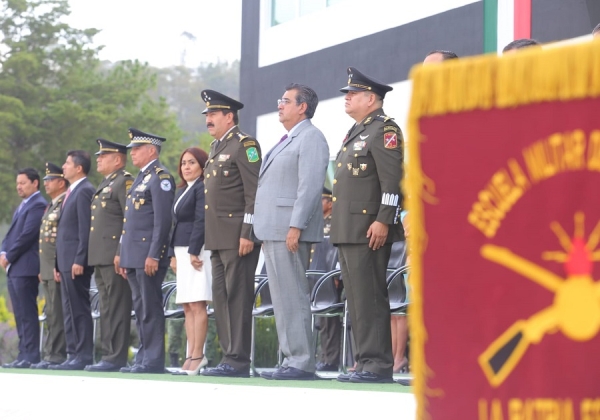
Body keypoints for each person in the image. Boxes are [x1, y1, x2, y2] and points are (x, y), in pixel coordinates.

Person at [331, 67, 404, 384]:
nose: (346, 98)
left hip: (369, 228)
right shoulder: (358, 131)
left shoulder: (385, 130)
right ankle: (364, 361)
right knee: (357, 298)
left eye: (353, 94)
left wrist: (383, 220)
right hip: (349, 229)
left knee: (371, 296)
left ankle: (377, 365)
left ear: (371, 99)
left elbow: (392, 182)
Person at [254, 83, 329, 381]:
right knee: (281, 299)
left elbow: (310, 188)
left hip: (288, 229)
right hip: (273, 229)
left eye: (285, 101)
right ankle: (291, 358)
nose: (279, 105)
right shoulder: (288, 138)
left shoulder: (311, 137)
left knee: (293, 296)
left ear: (303, 107)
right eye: (280, 100)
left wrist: (295, 226)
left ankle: (301, 361)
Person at [200, 90, 262, 378]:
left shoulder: (245, 145)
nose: (208, 119)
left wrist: (248, 232)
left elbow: (254, 193)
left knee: (237, 298)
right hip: (217, 238)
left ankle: (238, 360)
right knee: (221, 298)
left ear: (229, 116)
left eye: (213, 114)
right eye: (207, 115)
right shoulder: (216, 148)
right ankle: (228, 356)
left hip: (238, 236)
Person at [118, 128, 175, 374]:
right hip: (133, 255)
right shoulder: (141, 178)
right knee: (140, 308)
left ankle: (153, 360)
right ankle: (143, 357)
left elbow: (163, 222)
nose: (133, 153)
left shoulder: (160, 177)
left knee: (150, 308)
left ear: (151, 150)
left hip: (148, 256)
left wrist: (154, 254)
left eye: (137, 149)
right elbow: (129, 221)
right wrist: (123, 253)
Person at [84, 139, 134, 372]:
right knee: (106, 307)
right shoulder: (106, 183)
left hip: (113, 256)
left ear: (117, 159)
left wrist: (120, 252)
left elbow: (128, 219)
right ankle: (108, 354)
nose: (98, 159)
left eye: (104, 155)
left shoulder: (124, 181)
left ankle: (116, 357)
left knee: (116, 306)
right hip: (100, 256)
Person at [49, 151, 96, 370]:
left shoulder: (85, 190)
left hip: (76, 262)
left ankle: (84, 354)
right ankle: (73, 352)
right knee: (69, 308)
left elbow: (85, 228)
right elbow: (64, 231)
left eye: (67, 163)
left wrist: (80, 259)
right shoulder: (71, 191)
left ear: (79, 168)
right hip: (66, 261)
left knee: (78, 308)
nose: (63, 166)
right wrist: (58, 263)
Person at [169, 147, 211, 376]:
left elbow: (201, 220)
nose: (186, 167)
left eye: (192, 162)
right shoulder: (182, 190)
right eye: (183, 162)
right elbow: (173, 224)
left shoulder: (202, 188)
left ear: (202, 166)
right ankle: (190, 354)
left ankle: (198, 355)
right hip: (181, 249)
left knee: (197, 303)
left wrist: (194, 250)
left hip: (196, 250)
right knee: (187, 305)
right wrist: (172, 255)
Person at [1, 168, 47, 368]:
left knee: (28, 313)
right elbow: (11, 235)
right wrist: (3, 252)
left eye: (23, 183)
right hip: (15, 268)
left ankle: (31, 356)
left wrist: (9, 256)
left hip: (26, 267)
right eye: (17, 183)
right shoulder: (22, 206)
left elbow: (27, 235)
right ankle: (23, 353)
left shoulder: (38, 205)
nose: (18, 186)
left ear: (35, 183)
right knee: (19, 313)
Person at [31, 163, 69, 369]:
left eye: (49, 180)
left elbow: (60, 239)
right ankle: (49, 353)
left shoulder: (64, 202)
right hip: (46, 267)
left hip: (55, 266)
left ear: (61, 182)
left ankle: (57, 354)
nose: (46, 184)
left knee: (57, 311)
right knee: (50, 311)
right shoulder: (51, 204)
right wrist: (42, 267)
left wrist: (55, 264)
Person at [315, 187, 343, 372]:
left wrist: (336, 274)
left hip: (332, 275)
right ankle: (324, 356)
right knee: (322, 319)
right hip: (319, 276)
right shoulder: (319, 222)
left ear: (330, 203)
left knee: (331, 319)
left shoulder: (335, 222)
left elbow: (337, 250)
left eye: (322, 201)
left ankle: (331, 359)